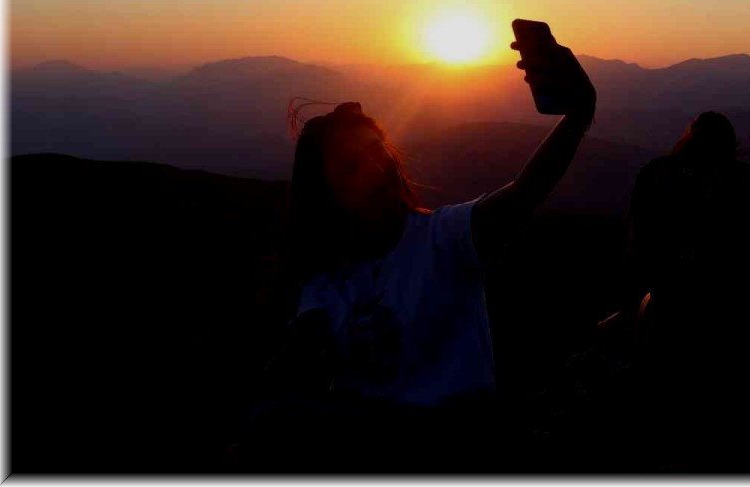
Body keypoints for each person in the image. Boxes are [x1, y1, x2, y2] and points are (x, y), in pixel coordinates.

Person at [230, 31, 596, 471]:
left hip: (454, 442)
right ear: (327, 194)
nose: (376, 167)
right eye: (351, 166)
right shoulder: (325, 284)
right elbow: (290, 369)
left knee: (275, 423)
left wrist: (578, 114)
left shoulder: (444, 239)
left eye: (377, 151)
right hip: (370, 449)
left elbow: (524, 193)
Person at [597, 112, 750, 465]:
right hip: (728, 312)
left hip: (675, 306)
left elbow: (637, 247)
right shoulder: (748, 179)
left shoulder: (660, 174)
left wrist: (628, 308)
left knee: (671, 401)